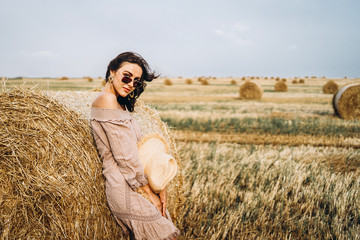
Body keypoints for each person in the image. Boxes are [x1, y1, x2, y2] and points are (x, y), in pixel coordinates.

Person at [90, 52, 180, 240]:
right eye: (126, 76)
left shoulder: (119, 105)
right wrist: (149, 193)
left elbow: (139, 151)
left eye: (136, 81)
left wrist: (159, 185)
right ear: (112, 72)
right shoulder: (107, 100)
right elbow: (125, 157)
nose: (130, 84)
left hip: (135, 182)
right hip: (123, 186)